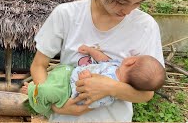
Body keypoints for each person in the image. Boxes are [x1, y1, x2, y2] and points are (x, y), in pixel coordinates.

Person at [26, 0, 164, 121]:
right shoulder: (66, 14)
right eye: (121, 2)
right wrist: (54, 105)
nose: (128, 10)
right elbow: (38, 66)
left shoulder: (146, 26)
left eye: (137, 3)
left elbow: (146, 94)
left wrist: (110, 88)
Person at [23, 45, 165, 118]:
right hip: (68, 73)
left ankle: (32, 94)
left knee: (47, 91)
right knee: (54, 75)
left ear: (132, 61)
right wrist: (91, 51)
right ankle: (37, 90)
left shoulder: (110, 95)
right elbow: (102, 59)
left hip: (68, 91)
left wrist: (85, 78)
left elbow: (91, 101)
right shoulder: (116, 65)